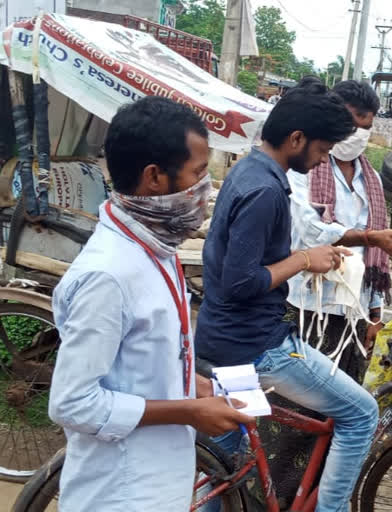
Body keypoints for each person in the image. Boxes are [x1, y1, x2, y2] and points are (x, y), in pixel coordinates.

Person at [48, 97, 254, 511]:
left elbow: (139, 362)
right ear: (154, 178)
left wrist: (192, 385)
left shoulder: (155, 247)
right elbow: (72, 403)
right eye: (198, 174)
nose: (205, 189)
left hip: (160, 479)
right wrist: (190, 411)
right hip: (121, 492)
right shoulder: (108, 275)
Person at [195, 79, 379, 512]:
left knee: (224, 461)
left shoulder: (249, 170)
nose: (321, 160)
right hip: (259, 350)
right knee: (361, 414)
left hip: (224, 342)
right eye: (320, 150)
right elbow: (241, 282)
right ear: (296, 138)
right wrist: (303, 260)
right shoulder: (265, 191)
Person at [288, 79, 392, 382]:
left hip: (355, 309)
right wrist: (367, 236)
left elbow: (374, 253)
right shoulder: (304, 169)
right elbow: (310, 231)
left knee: (344, 394)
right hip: (309, 302)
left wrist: (376, 311)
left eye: (365, 129)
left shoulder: (371, 180)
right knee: (302, 396)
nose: (357, 137)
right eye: (352, 126)